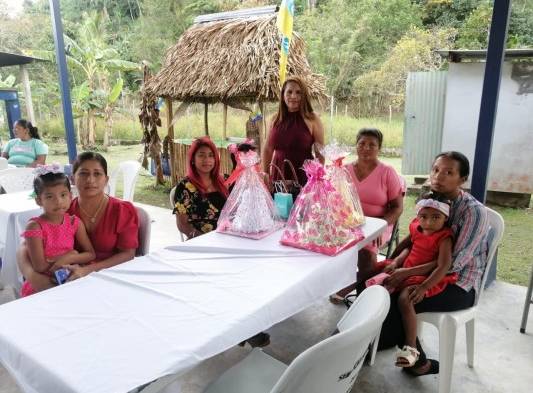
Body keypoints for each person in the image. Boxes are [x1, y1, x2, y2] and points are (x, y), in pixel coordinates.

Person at [377, 151, 489, 377]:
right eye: (436, 170)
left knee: (397, 302)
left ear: (462, 179)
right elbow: (416, 238)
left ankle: (418, 363)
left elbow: (452, 264)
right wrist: (396, 262)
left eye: (449, 172)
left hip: (457, 283)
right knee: (377, 285)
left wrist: (406, 272)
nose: (439, 176)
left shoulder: (473, 213)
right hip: (422, 273)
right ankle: (383, 340)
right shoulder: (431, 201)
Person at [17, 152, 139, 292]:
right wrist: (32, 276)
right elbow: (25, 248)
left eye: (97, 174)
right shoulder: (62, 211)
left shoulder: (122, 211)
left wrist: (87, 270)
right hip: (68, 278)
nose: (90, 180)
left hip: (110, 277)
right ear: (73, 178)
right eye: (83, 173)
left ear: (106, 180)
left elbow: (128, 254)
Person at [367, 192, 455, 367]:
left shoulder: (444, 237)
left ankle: (411, 347)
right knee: (372, 277)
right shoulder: (416, 227)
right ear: (417, 216)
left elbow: (443, 265)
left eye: (436, 217)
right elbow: (409, 247)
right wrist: (395, 262)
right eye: (423, 216)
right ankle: (368, 336)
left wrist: (424, 286)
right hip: (405, 267)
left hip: (423, 277)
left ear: (445, 218)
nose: (428, 222)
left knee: (405, 299)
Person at [329, 127, 403, 303]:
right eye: (362, 143)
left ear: (379, 148)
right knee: (326, 244)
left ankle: (357, 290)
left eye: (372, 145)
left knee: (366, 253)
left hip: (379, 223)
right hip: (349, 222)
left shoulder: (387, 172)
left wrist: (379, 228)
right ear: (356, 146)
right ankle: (346, 282)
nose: (366, 148)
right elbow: (333, 200)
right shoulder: (344, 170)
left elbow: (397, 207)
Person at [20, 165, 95, 297]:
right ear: (39, 200)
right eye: (49, 197)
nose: (58, 201)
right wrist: (70, 255)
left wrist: (69, 257)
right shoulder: (35, 226)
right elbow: (40, 267)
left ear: (70, 196)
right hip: (43, 283)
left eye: (63, 195)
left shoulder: (74, 222)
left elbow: (90, 254)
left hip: (70, 276)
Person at [262, 76, 325, 186]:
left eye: (298, 92)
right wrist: (265, 173)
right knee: (278, 203)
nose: (293, 96)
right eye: (289, 92)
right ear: (283, 95)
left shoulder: (313, 119)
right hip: (278, 175)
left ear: (304, 95)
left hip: (304, 177)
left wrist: (317, 179)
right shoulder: (274, 120)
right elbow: (267, 149)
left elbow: (320, 153)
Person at [173, 137, 229, 238]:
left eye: (211, 155)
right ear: (193, 159)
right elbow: (182, 225)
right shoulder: (185, 187)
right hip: (200, 242)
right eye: (201, 155)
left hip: (228, 237)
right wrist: (204, 240)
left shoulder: (226, 181)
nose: (207, 160)